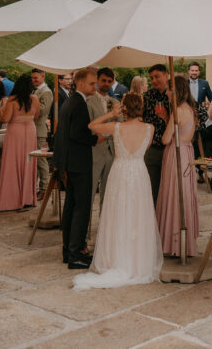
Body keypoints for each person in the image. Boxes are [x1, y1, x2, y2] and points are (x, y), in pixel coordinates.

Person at [73, 92, 161, 289]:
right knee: (137, 215)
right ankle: (137, 261)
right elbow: (144, 148)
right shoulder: (150, 128)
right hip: (139, 172)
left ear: (124, 108)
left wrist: (112, 114)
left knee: (118, 214)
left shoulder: (116, 127)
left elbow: (91, 126)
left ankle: (115, 259)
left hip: (120, 172)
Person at [52, 69, 119, 269]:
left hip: (70, 162)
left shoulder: (70, 101)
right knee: (81, 208)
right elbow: (77, 134)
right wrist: (96, 139)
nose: (95, 87)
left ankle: (69, 250)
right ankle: (75, 254)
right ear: (80, 84)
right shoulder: (79, 103)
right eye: (91, 83)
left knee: (72, 206)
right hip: (79, 162)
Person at [156, 75, 199, 258]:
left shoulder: (177, 110)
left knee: (173, 194)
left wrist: (165, 120)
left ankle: (172, 243)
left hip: (175, 154)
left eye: (168, 89)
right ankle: (184, 243)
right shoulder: (191, 109)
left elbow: (166, 138)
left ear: (176, 90)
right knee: (185, 195)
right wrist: (167, 117)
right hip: (188, 152)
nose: (166, 92)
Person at [0, 76, 39, 211]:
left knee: (13, 162)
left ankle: (12, 199)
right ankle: (27, 198)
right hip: (30, 130)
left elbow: (6, 119)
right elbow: (36, 116)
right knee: (28, 162)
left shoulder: (12, 100)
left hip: (16, 131)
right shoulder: (35, 99)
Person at [88, 68, 117, 212]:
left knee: (109, 193)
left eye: (109, 81)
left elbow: (122, 125)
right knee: (90, 191)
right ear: (98, 81)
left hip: (112, 152)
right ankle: (84, 227)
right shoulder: (89, 101)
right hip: (94, 151)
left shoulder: (116, 102)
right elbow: (89, 126)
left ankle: (104, 227)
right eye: (103, 80)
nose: (106, 84)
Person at [141, 64, 171, 201]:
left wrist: (168, 118)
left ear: (167, 75)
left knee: (168, 189)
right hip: (151, 148)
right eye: (151, 78)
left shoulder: (176, 95)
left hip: (170, 148)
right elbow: (140, 118)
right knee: (151, 187)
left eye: (157, 76)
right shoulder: (147, 96)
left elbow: (199, 117)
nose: (153, 80)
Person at [187, 62, 212, 183]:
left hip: (200, 119)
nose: (194, 72)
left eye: (196, 70)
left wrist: (208, 107)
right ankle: (188, 172)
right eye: (192, 70)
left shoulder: (204, 83)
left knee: (199, 144)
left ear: (199, 72)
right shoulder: (184, 83)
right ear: (189, 71)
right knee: (188, 144)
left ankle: (200, 172)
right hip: (186, 118)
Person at [31, 69, 53, 196]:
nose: (34, 80)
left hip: (41, 131)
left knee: (42, 160)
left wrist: (31, 103)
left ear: (43, 76)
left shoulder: (46, 92)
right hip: (34, 130)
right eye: (32, 78)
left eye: (36, 78)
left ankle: (44, 188)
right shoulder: (35, 90)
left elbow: (43, 111)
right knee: (35, 160)